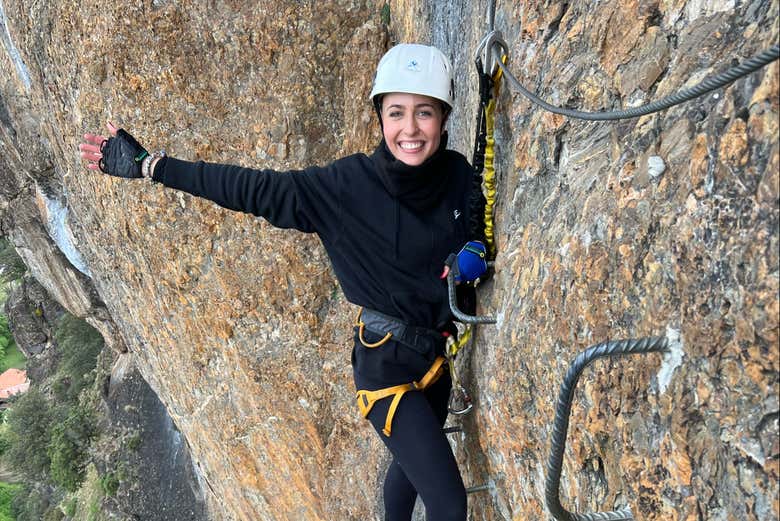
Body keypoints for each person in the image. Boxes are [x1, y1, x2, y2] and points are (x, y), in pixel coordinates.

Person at [79, 43, 487, 521]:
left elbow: (475, 227)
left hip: (435, 362)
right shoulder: (343, 188)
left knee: (410, 468)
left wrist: (472, 253)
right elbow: (250, 187)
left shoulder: (457, 173)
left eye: (425, 113)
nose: (410, 129)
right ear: (380, 117)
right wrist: (154, 166)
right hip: (387, 371)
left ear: (443, 117)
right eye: (396, 113)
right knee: (447, 501)